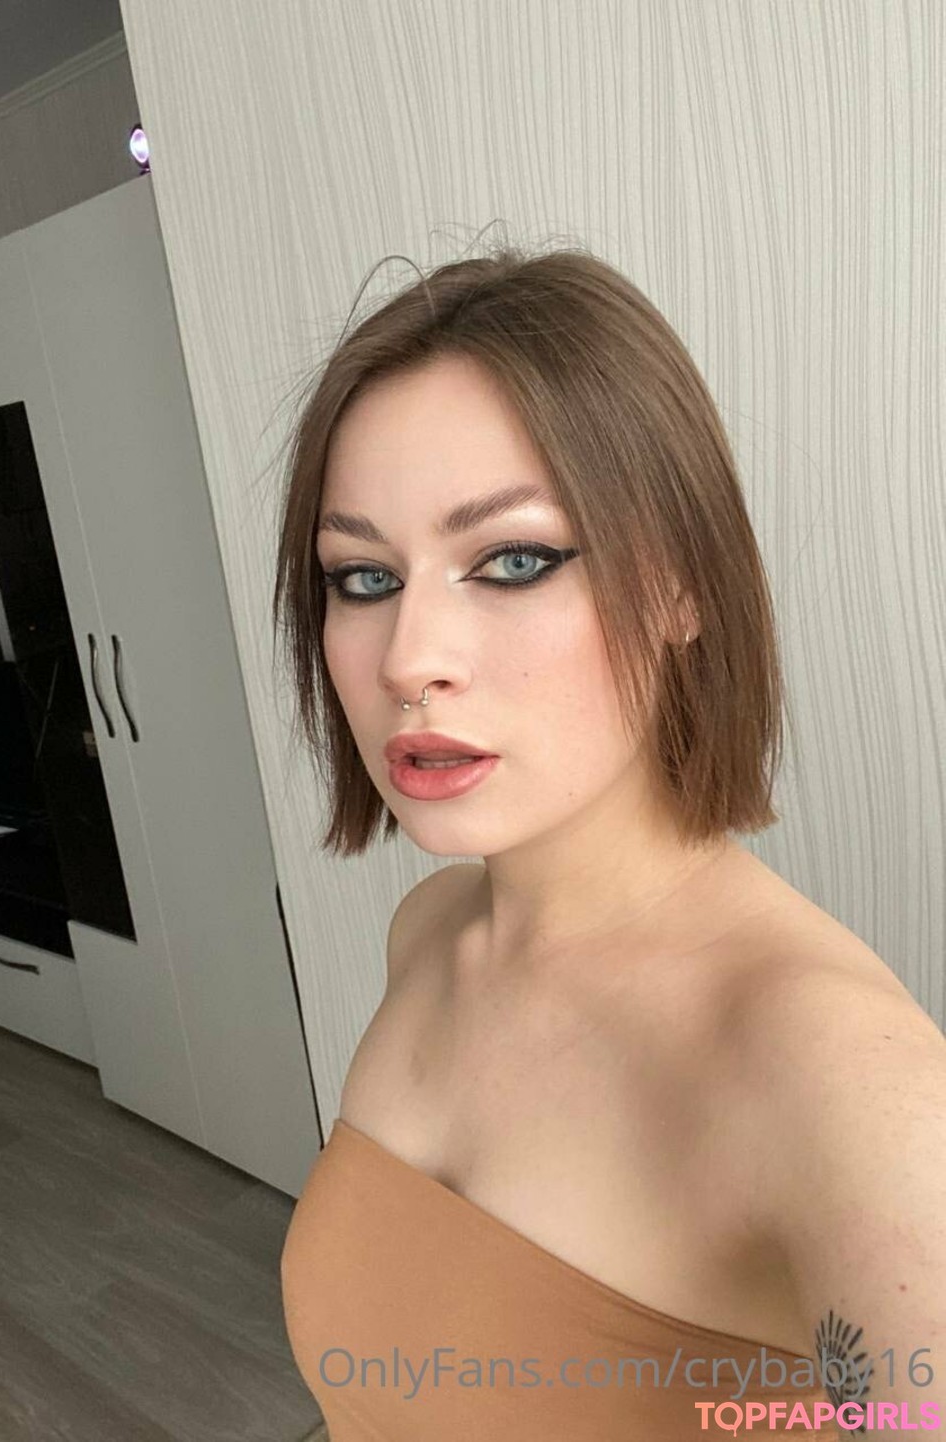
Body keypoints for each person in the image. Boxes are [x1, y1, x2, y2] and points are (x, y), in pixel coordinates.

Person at [274, 246, 946, 1439]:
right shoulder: (429, 932)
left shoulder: (842, 1081)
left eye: (513, 561)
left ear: (681, 584)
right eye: (363, 576)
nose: (409, 658)